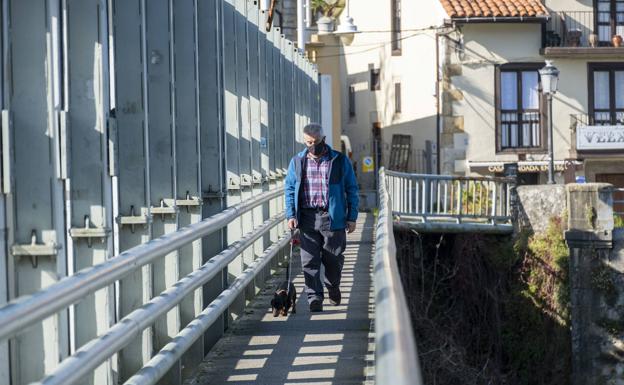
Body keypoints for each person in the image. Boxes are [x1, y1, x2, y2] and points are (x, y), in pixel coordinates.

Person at [284, 123, 359, 312]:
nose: (312, 145)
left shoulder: (339, 161)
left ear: (323, 139)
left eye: (316, 141)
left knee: (333, 259)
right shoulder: (297, 162)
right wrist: (290, 215)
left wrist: (352, 216)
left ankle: (333, 287)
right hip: (307, 216)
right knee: (309, 260)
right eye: (308, 142)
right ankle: (314, 297)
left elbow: (351, 188)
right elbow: (290, 189)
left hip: (332, 217)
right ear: (304, 141)